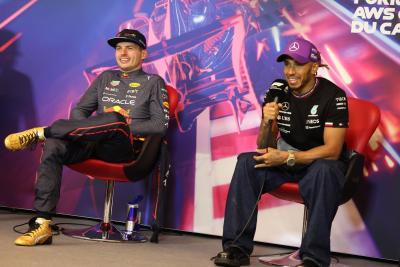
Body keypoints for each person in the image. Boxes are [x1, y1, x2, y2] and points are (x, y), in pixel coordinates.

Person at [4, 29, 170, 246]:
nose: (123, 53)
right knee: (54, 145)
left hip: (126, 150)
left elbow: (160, 124)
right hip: (92, 144)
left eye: (130, 48)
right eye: (119, 48)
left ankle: (43, 132)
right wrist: (87, 132)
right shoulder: (105, 77)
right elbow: (79, 112)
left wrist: (124, 124)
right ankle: (42, 223)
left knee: (114, 118)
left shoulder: (154, 82)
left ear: (143, 54)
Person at [213, 38, 349, 267]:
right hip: (287, 163)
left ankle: (313, 258)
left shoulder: (333, 95)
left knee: (326, 170)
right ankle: (237, 248)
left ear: (314, 67)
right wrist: (267, 122)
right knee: (247, 162)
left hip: (319, 164)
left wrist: (287, 157)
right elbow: (265, 145)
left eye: (298, 64)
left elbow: (333, 151)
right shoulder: (278, 91)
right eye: (287, 64)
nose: (290, 71)